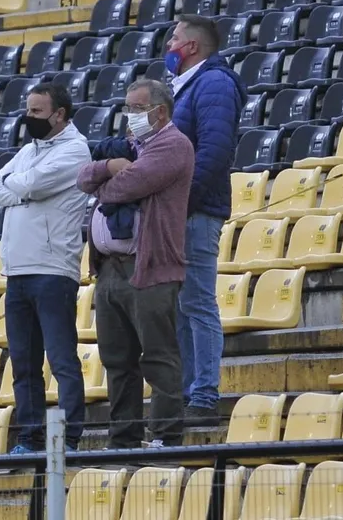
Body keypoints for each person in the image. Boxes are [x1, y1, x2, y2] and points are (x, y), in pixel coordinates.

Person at [77, 79, 194, 449]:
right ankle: (123, 437)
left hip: (150, 268)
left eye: (137, 108)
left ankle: (165, 436)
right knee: (117, 360)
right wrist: (111, 164)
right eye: (127, 107)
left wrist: (105, 178)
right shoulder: (130, 147)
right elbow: (82, 176)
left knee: (158, 356)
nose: (129, 115)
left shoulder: (174, 145)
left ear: (159, 112)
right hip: (110, 269)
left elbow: (129, 186)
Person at [0, 83, 92, 453]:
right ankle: (29, 437)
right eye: (28, 110)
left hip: (52, 268)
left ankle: (70, 437)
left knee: (61, 359)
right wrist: (21, 187)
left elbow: (32, 183)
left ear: (59, 114)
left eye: (37, 112)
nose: (29, 118)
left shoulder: (76, 150)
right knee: (24, 365)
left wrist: (18, 187)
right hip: (17, 271)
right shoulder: (28, 150)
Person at [166, 14, 248, 425]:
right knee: (183, 306)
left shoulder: (213, 83)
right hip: (181, 211)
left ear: (192, 46)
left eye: (174, 37)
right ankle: (188, 392)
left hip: (195, 212)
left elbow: (215, 152)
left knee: (196, 303)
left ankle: (203, 395)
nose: (169, 43)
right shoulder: (188, 86)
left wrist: (181, 200)